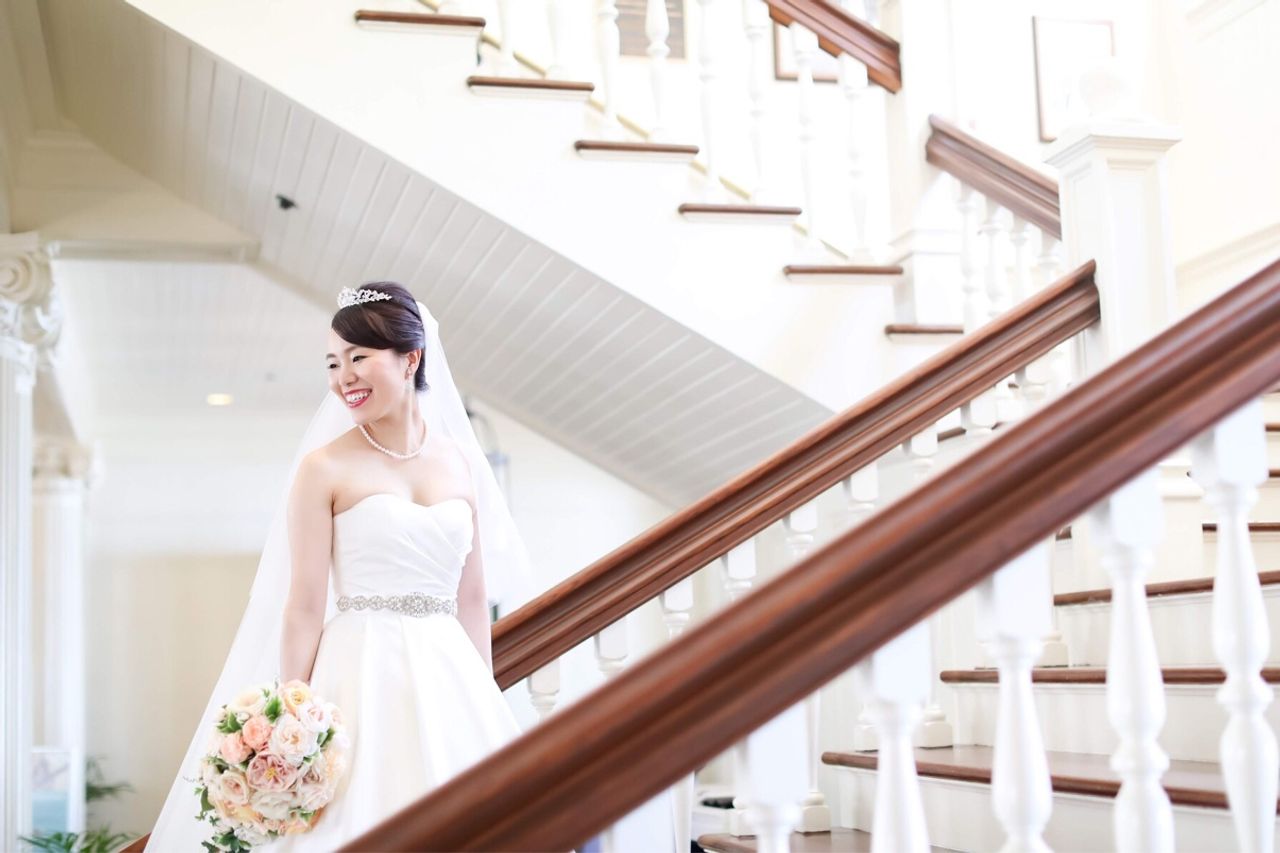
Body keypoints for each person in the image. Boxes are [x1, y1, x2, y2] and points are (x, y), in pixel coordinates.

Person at [143, 282, 539, 850]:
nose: (343, 377)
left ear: (411, 359)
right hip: (359, 668)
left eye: (359, 358)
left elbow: (473, 598)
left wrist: (482, 693)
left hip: (449, 670)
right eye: (333, 362)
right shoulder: (324, 468)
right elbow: (304, 606)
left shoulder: (460, 462)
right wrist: (290, 718)